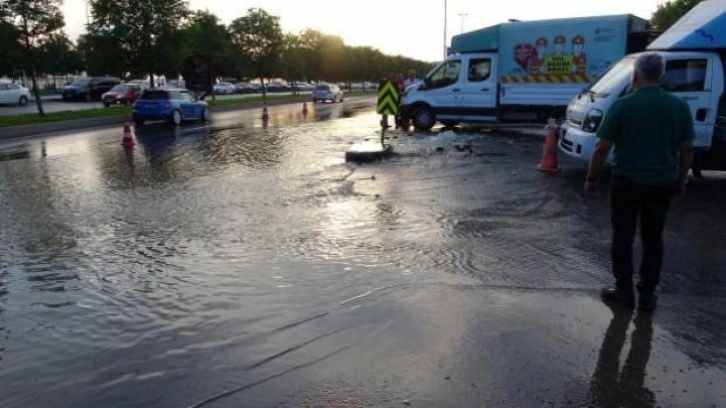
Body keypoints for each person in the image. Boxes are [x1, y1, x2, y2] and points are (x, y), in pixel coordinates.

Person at [585, 53, 694, 311]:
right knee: (653, 238)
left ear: (635, 75)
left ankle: (623, 293)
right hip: (662, 184)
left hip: (626, 183)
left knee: (622, 238)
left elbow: (601, 147)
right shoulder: (679, 107)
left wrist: (592, 177)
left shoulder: (623, 106)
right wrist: (681, 179)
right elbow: (687, 149)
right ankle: (647, 294)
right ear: (662, 76)